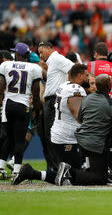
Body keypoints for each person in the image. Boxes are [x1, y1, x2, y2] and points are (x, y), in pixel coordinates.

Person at [12, 64, 90, 186]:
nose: (88, 78)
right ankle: (32, 173)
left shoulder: (64, 85)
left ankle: (31, 173)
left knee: (68, 174)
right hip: (68, 138)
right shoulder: (76, 89)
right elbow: (78, 116)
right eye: (86, 75)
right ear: (80, 76)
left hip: (58, 135)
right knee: (75, 176)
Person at [54, 74, 112, 186]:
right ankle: (68, 171)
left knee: (95, 173)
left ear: (97, 86)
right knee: (100, 179)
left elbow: (79, 118)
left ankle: (65, 174)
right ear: (109, 87)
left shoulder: (86, 99)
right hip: (95, 143)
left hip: (80, 139)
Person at [0, 43, 42, 181]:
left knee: (8, 138)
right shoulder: (34, 68)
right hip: (22, 105)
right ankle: (16, 172)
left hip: (9, 104)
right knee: (19, 140)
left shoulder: (6, 65)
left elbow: (1, 88)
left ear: (18, 54)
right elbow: (36, 93)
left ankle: (0, 168)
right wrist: (36, 109)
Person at [38, 41, 74, 171]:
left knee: (52, 134)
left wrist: (67, 87)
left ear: (49, 48)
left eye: (41, 52)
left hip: (54, 99)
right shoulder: (52, 61)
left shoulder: (57, 58)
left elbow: (73, 68)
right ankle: (54, 166)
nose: (40, 55)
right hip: (50, 100)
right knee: (48, 135)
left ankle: (57, 166)